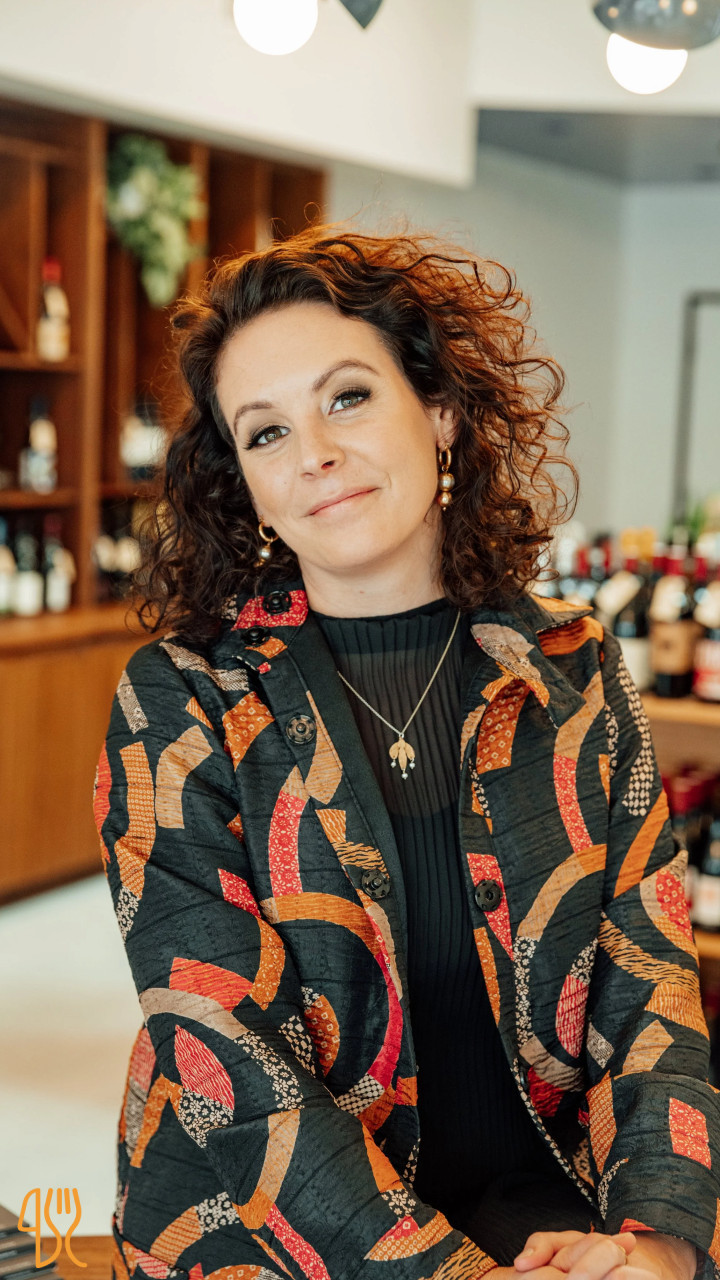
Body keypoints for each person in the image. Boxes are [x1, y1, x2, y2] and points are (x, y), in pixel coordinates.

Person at [94, 222, 719, 1280]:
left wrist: (654, 1239)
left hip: (547, 1206)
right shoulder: (183, 698)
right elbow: (233, 1065)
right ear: (242, 480)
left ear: (439, 410)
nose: (313, 454)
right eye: (265, 432)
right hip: (273, 1234)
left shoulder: (572, 668)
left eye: (346, 397)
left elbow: (649, 984)